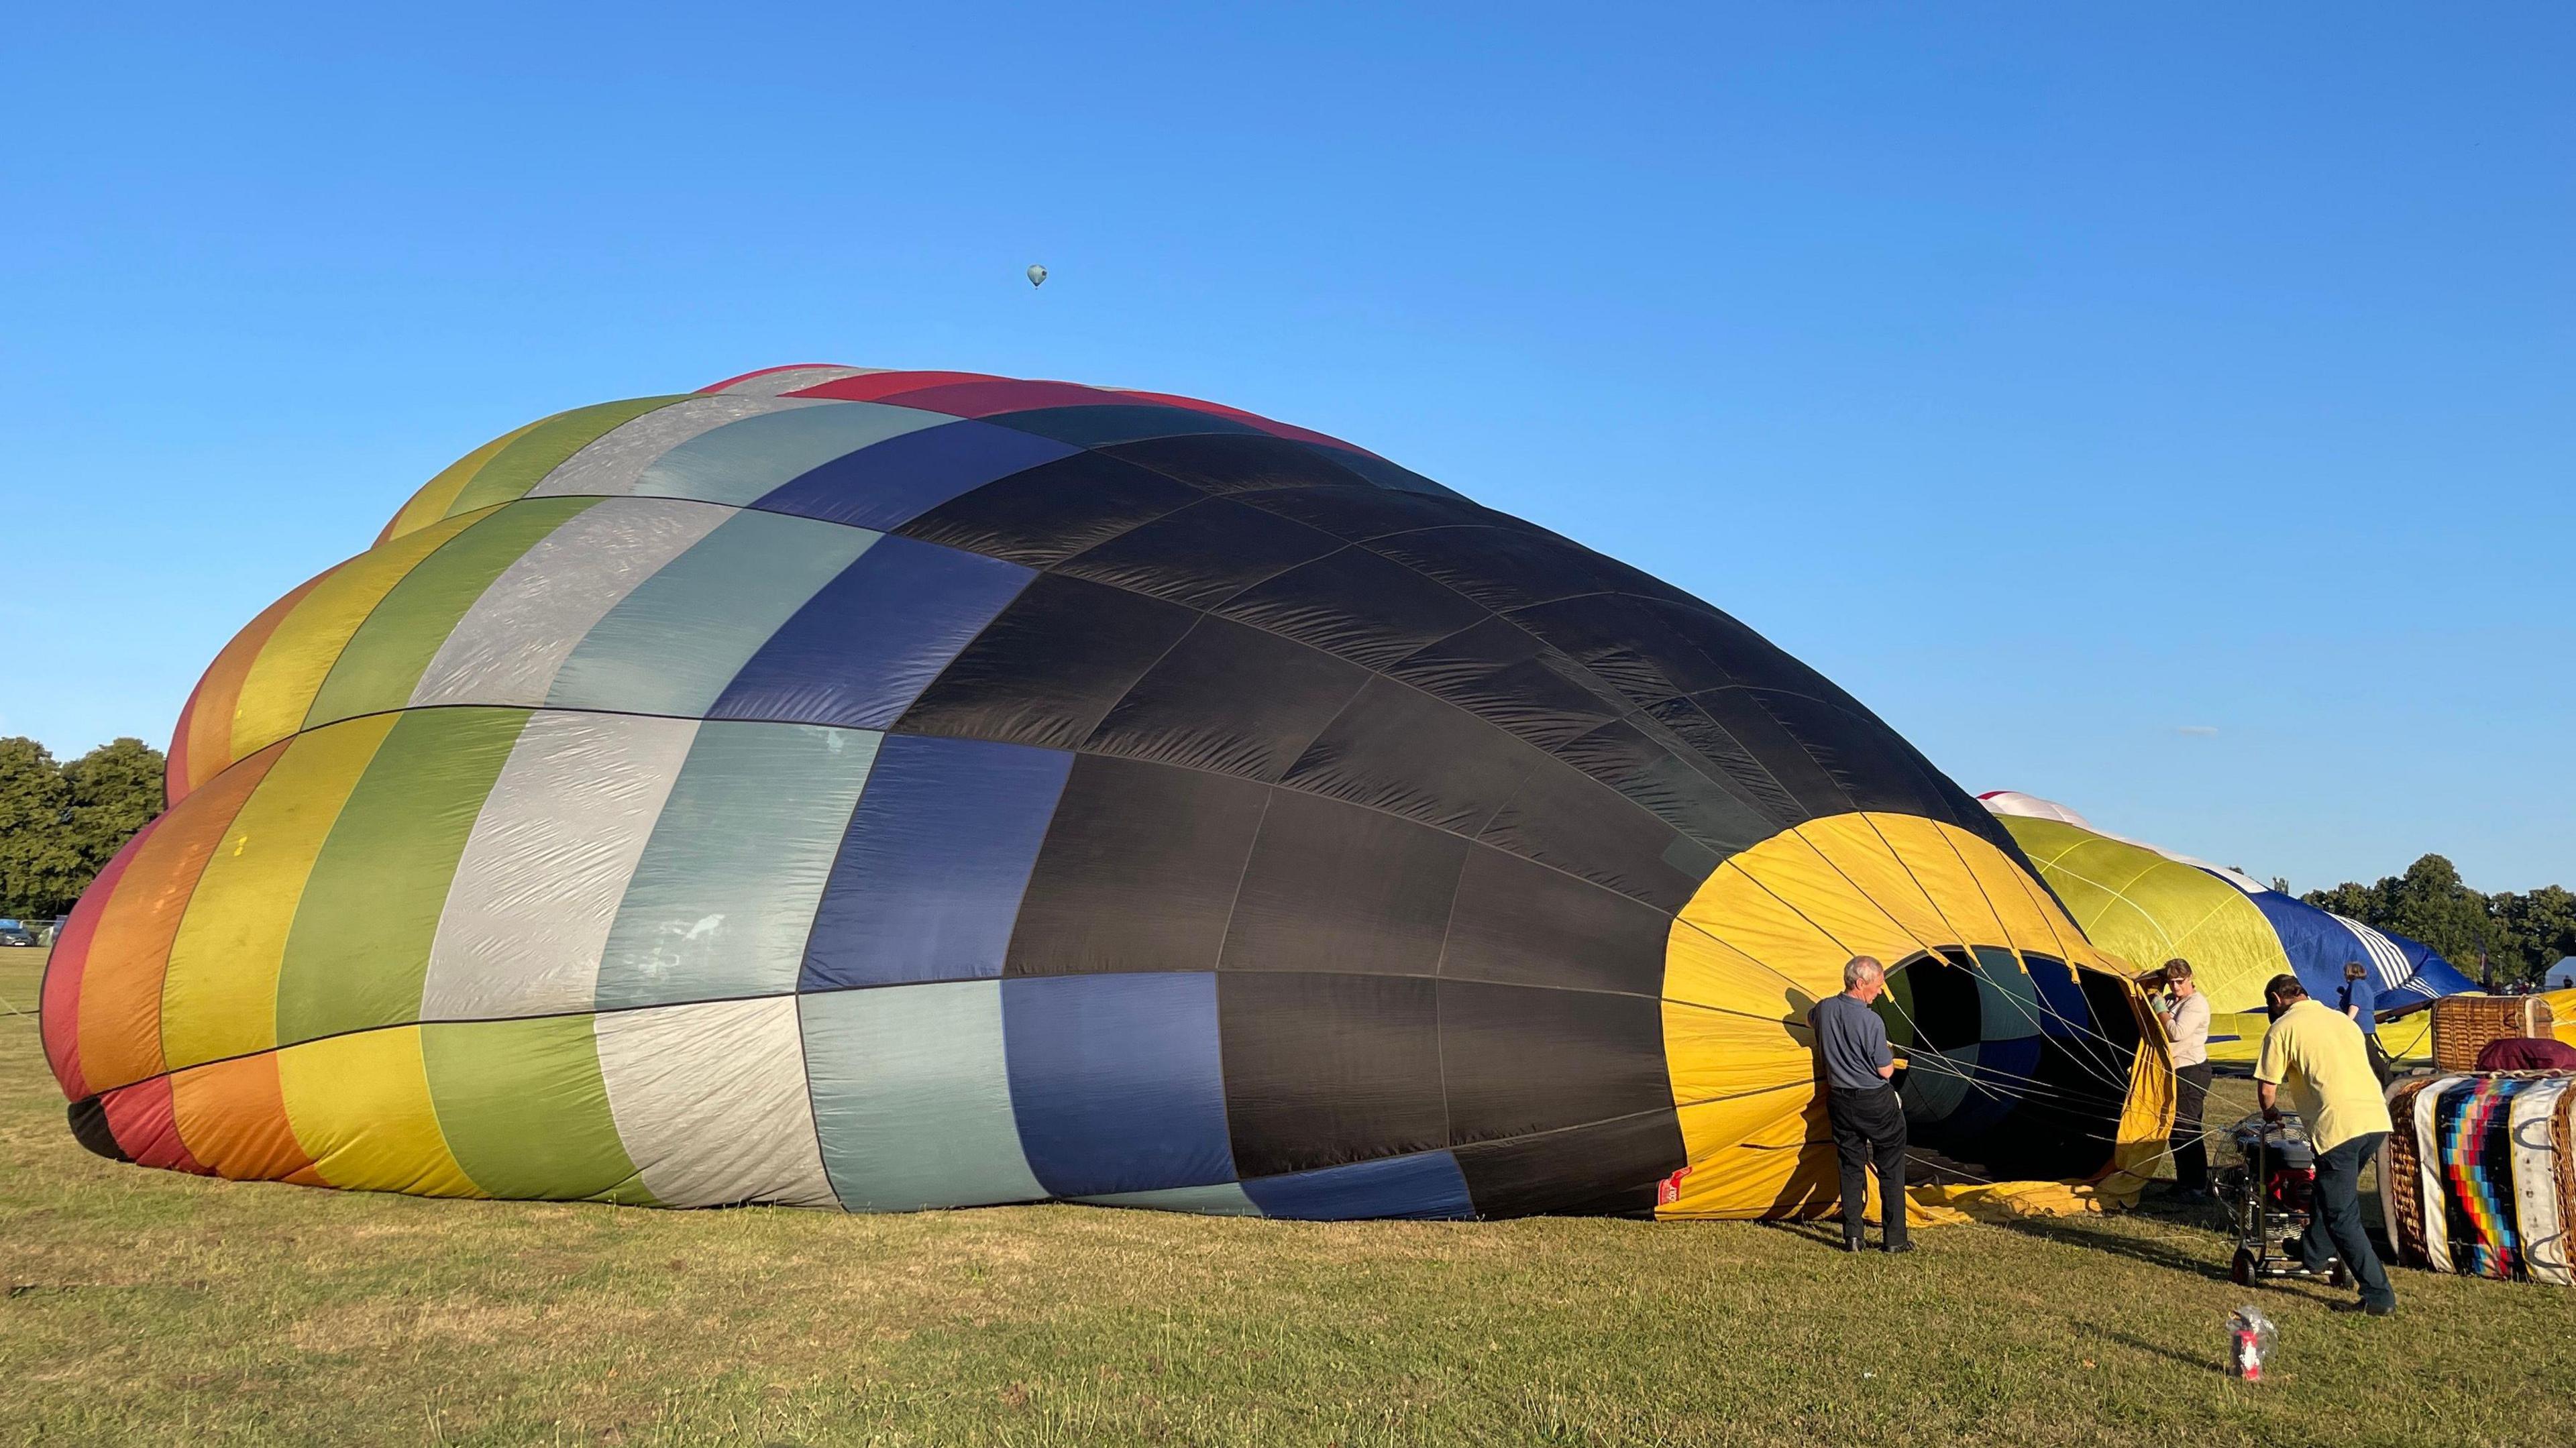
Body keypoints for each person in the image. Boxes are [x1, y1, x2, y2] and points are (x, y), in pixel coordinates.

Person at [2254, 973, 2396, 1315]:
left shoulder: (2282, 1028)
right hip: (2375, 1119)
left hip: (2338, 1127)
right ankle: (2313, 1252)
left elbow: (2267, 1088)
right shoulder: (2341, 1020)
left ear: (2276, 1000)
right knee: (2330, 1191)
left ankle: (2379, 1296)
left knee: (2341, 1215)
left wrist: (2271, 1113)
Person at [1809, 956, 1911, 1254]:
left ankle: (1853, 1237)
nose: (1880, 992)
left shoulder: (1825, 1008)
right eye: (1877, 986)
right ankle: (1895, 1240)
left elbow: (1808, 1019)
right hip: (1874, 1102)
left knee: (1850, 1166)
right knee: (1890, 1167)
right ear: (1860, 983)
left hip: (1839, 1099)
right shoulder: (1871, 1021)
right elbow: (1885, 1071)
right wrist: (1888, 1056)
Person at [2151, 959, 2213, 1195]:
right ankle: (2184, 1182)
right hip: (2175, 1070)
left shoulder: (2196, 1004)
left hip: (2191, 1070)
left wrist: (2161, 1011)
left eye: (2180, 981)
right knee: (2175, 1128)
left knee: (2187, 1128)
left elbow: (2177, 1033)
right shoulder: (2172, 1000)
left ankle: (2197, 1185)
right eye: (2171, 982)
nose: (2175, 986)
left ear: (2190, 978)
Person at [2338, 962, 2391, 1084]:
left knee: (2371, 1056)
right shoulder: (2363, 985)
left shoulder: (2356, 985)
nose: (2344, 974)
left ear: (2350, 972)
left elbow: (2355, 1006)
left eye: (2346, 971)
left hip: (2360, 1025)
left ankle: (2387, 1081)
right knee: (2366, 1054)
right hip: (2366, 1024)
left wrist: (2346, 1023)